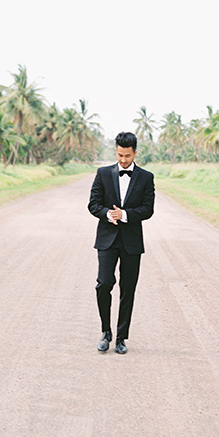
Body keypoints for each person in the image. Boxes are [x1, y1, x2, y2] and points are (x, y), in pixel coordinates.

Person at [88, 131, 155, 354]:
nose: (123, 160)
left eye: (127, 156)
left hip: (132, 243)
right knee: (104, 284)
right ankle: (106, 331)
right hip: (107, 239)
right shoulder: (103, 173)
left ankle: (121, 338)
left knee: (128, 289)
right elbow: (93, 204)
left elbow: (148, 210)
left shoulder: (146, 177)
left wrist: (124, 215)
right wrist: (109, 214)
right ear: (115, 151)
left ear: (135, 153)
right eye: (119, 155)